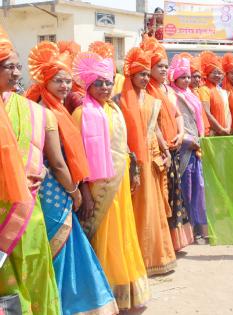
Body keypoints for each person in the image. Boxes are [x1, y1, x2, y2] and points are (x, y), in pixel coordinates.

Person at [26, 41, 119, 315]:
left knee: (63, 246)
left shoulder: (57, 108)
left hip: (53, 188)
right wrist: (76, 191)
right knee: (63, 246)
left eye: (68, 81)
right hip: (54, 189)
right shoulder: (46, 111)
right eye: (58, 81)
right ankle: (70, 305)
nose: (65, 86)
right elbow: (56, 161)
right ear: (45, 81)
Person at [72, 52, 150, 309]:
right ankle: (103, 292)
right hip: (98, 186)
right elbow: (77, 154)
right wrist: (84, 187)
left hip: (120, 180)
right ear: (88, 85)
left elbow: (124, 145)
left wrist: (135, 171)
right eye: (98, 83)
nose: (105, 88)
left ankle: (125, 289)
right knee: (103, 234)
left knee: (122, 232)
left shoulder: (115, 109)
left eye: (107, 82)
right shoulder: (81, 113)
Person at [0, 27, 61, 315]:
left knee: (34, 267)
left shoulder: (28, 110)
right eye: (8, 66)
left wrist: (39, 171)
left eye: (17, 66)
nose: (15, 73)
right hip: (3, 213)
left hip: (27, 208)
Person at [117, 47, 179, 272]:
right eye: (140, 74)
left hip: (151, 158)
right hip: (131, 159)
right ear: (130, 75)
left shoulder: (152, 99)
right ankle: (137, 260)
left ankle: (157, 257)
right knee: (137, 207)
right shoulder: (120, 100)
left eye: (146, 74)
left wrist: (164, 148)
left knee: (154, 206)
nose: (144, 78)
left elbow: (154, 129)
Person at [142, 37, 192, 251]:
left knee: (174, 195)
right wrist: (163, 145)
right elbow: (152, 124)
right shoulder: (147, 91)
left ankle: (174, 242)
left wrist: (181, 133)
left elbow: (177, 114)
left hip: (175, 146)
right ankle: (163, 244)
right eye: (159, 66)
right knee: (164, 196)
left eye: (165, 66)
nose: (163, 70)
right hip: (161, 151)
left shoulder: (166, 91)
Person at [168, 55, 208, 245]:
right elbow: (173, 123)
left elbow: (198, 120)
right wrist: (189, 141)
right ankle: (188, 231)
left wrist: (199, 139)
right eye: (182, 77)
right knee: (186, 189)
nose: (186, 80)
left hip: (196, 147)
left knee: (198, 187)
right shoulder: (172, 95)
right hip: (184, 148)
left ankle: (199, 228)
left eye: (188, 77)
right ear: (174, 78)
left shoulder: (191, 94)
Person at [198, 51, 231, 136]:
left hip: (224, 131)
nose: (217, 75)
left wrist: (228, 128)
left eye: (220, 73)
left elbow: (228, 111)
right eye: (214, 72)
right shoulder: (204, 90)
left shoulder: (221, 90)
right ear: (207, 74)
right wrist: (220, 129)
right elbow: (206, 113)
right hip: (213, 133)